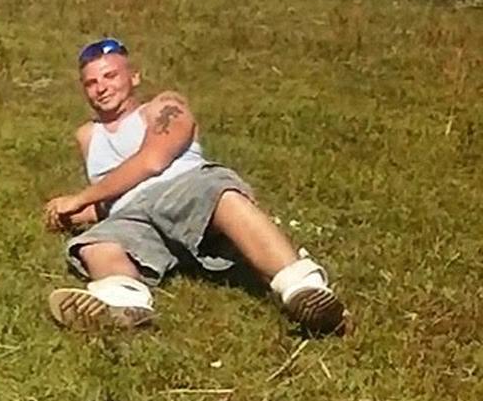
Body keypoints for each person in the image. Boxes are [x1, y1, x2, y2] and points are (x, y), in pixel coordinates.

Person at [41, 37, 350, 335]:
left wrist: (80, 197)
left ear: (134, 77)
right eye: (91, 83)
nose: (101, 88)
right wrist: (70, 213)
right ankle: (123, 301)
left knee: (221, 195)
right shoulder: (87, 136)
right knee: (96, 244)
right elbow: (112, 195)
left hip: (184, 189)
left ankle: (303, 289)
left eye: (110, 76)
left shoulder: (164, 106)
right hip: (132, 214)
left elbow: (153, 161)